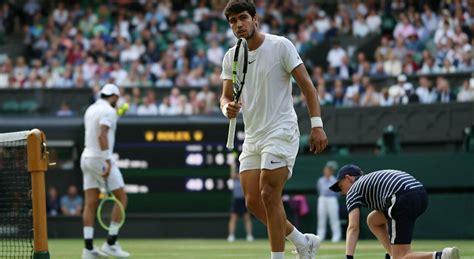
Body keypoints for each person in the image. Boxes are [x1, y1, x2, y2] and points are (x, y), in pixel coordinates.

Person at [220, 1, 328, 258]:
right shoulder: (230, 57)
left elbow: (308, 87)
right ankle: (302, 242)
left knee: (269, 193)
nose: (238, 25)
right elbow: (224, 98)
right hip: (253, 136)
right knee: (253, 202)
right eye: (233, 21)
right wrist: (227, 109)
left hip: (281, 130)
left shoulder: (281, 45)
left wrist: (317, 126)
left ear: (255, 19)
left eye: (243, 18)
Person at [329, 164, 460, 259]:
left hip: (402, 198)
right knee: (372, 220)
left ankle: (441, 256)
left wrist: (349, 257)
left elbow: (353, 227)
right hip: (420, 194)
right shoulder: (370, 183)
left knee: (401, 257)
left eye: (341, 187)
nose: (342, 193)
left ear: (349, 178)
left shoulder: (353, 190)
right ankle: (392, 253)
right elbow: (386, 219)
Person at [80, 83, 130, 259]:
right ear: (115, 97)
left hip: (86, 158)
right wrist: (107, 160)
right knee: (122, 198)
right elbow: (102, 134)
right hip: (100, 159)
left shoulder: (91, 109)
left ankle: (88, 249)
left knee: (90, 203)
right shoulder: (108, 111)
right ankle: (111, 243)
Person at [227, 153, 254, 242]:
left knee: (247, 218)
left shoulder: (245, 172)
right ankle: (231, 236)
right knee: (233, 218)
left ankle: (249, 236)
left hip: (244, 198)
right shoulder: (235, 170)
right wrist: (232, 165)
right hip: (236, 199)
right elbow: (232, 176)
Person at [316, 161, 341, 242]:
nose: (327, 171)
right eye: (326, 170)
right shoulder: (320, 180)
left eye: (329, 170)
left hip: (332, 199)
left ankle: (336, 237)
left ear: (331, 171)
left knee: (334, 218)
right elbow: (319, 190)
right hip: (322, 199)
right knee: (321, 218)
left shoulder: (335, 180)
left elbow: (338, 192)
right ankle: (320, 236)